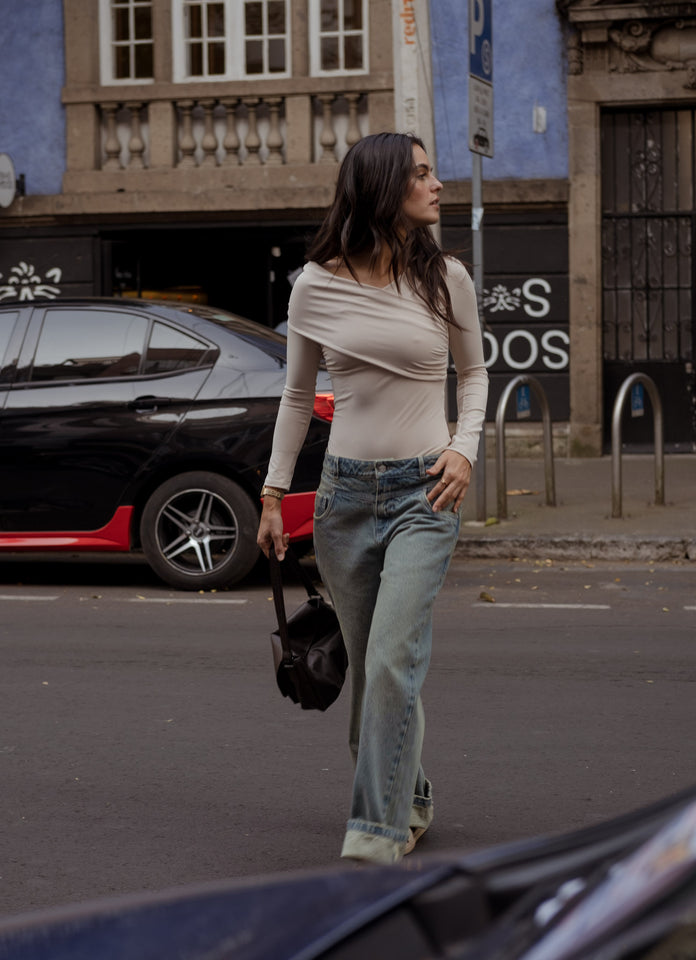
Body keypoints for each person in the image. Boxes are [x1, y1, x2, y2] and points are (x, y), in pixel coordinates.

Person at [257, 132, 488, 865]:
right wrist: (272, 491)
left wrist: (463, 447)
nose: (437, 183)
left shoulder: (444, 277)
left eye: (434, 171)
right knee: (370, 674)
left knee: (392, 659)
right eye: (421, 173)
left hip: (427, 491)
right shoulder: (314, 285)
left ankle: (373, 837)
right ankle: (411, 795)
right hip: (345, 499)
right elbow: (298, 397)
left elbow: (474, 375)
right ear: (384, 188)